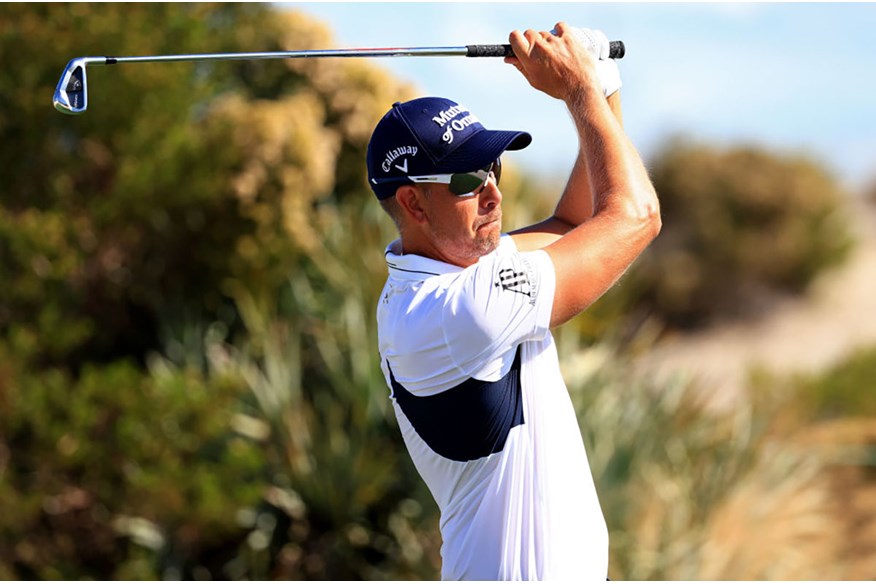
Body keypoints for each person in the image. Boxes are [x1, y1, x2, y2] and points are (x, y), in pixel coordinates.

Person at [365, 23, 661, 580]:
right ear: (413, 202)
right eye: (466, 178)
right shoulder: (456, 313)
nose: (493, 191)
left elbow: (579, 220)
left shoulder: (465, 273)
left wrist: (602, 82)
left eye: (493, 167)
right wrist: (577, 92)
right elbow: (634, 217)